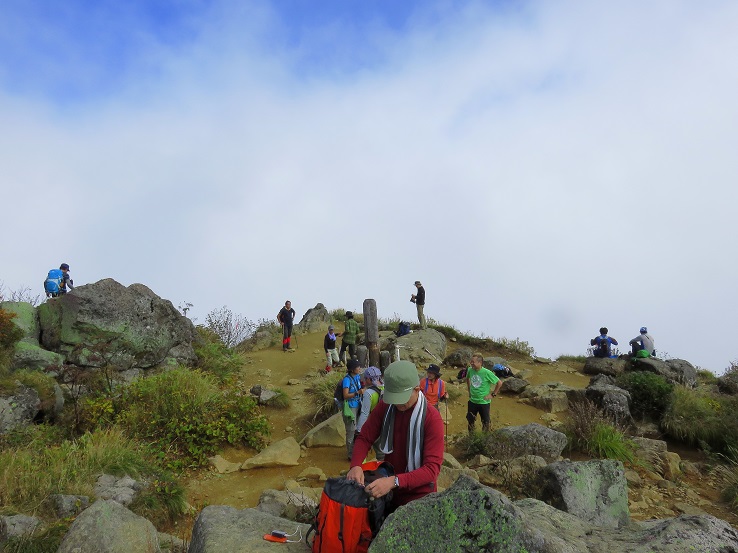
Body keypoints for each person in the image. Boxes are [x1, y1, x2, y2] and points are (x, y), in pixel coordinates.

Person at [347, 360, 444, 509]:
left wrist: (394, 481)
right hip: (389, 492)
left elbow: (431, 470)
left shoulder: (432, 419)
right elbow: (365, 437)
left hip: (420, 497)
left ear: (417, 389)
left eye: (402, 398)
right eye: (394, 398)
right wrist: (356, 465)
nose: (398, 404)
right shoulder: (387, 406)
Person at [466, 352, 502, 432]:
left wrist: (493, 395)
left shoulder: (487, 372)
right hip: (472, 401)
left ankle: (484, 440)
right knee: (470, 421)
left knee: (485, 423)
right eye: (471, 361)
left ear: (480, 363)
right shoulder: (470, 370)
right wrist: (469, 390)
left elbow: (499, 383)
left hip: (484, 402)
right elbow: (467, 378)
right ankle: (471, 439)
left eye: (473, 362)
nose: (471, 363)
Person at [355, 366, 385, 461]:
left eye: (365, 378)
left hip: (372, 425)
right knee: (381, 452)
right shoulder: (385, 388)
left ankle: (361, 470)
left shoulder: (369, 393)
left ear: (369, 379)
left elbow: (364, 413)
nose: (364, 380)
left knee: (362, 448)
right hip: (384, 424)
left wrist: (359, 430)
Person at [342, 359, 364, 460]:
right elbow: (345, 395)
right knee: (351, 430)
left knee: (358, 429)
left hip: (358, 405)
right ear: (352, 369)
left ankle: (356, 451)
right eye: (357, 367)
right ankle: (350, 455)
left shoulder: (357, 377)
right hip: (351, 407)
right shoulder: (347, 380)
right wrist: (357, 393)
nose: (359, 368)